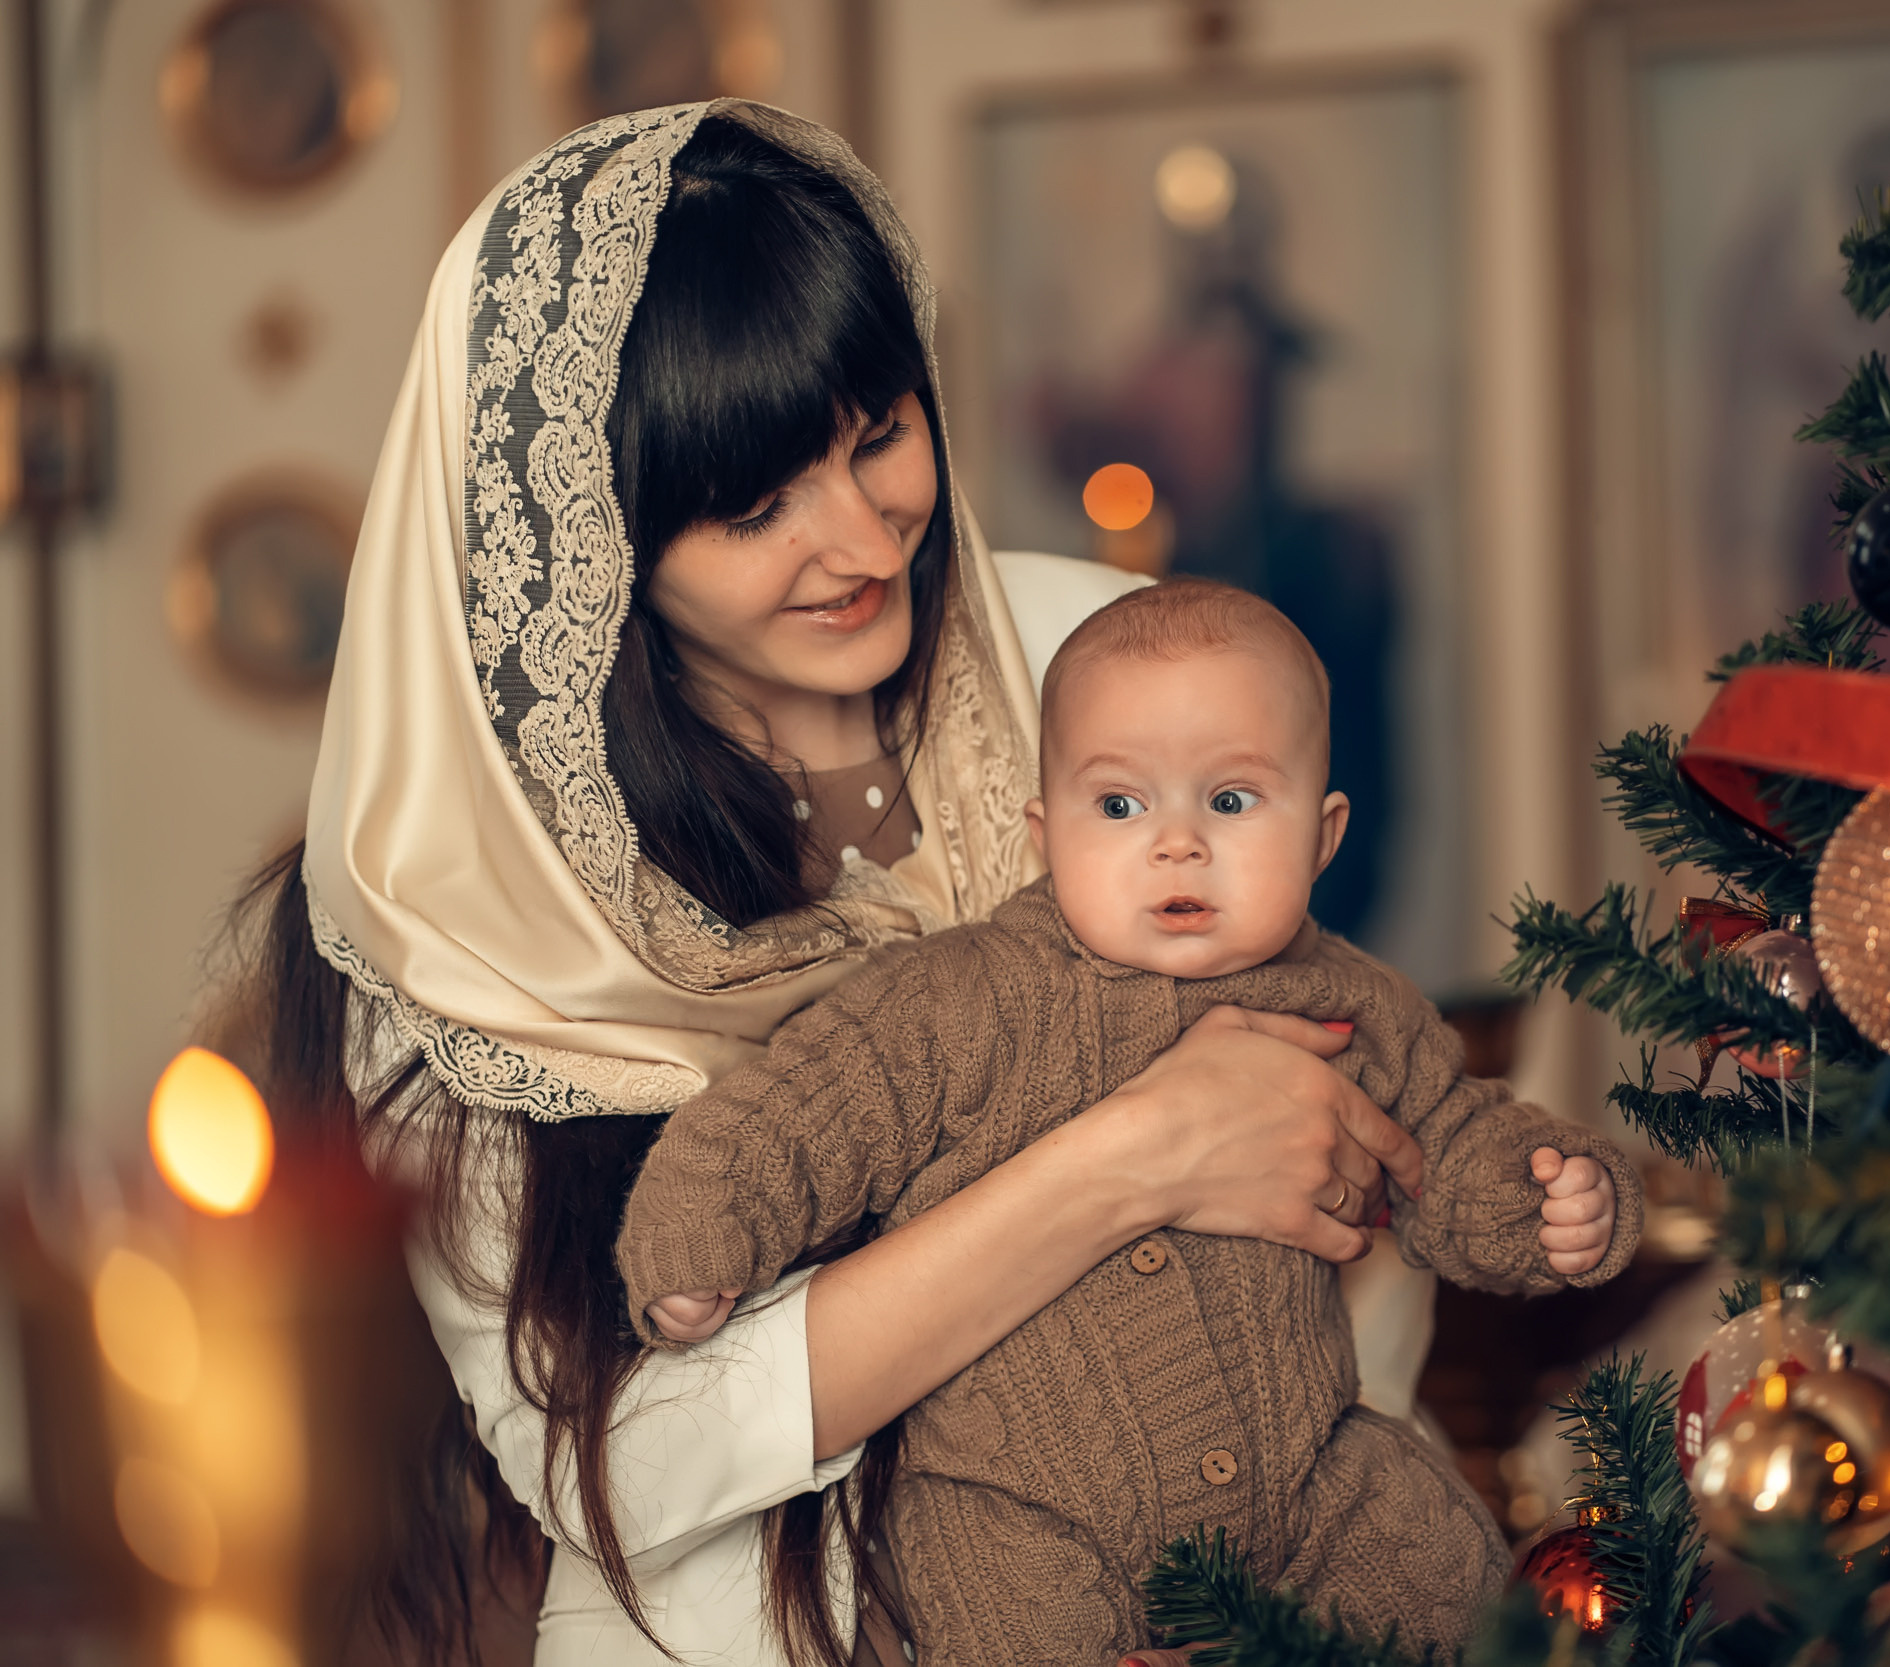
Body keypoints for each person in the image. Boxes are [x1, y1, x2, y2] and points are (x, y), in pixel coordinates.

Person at [211, 104, 1433, 1667]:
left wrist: (1267, 1578)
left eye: (877, 438)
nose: (862, 539)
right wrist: (1129, 1160)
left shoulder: (1099, 664)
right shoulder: (464, 900)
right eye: (752, 503)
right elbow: (624, 1462)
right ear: (595, 539)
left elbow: (1342, 1173)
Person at [618, 581, 1643, 1664]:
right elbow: (806, 1106)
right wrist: (701, 1227)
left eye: (1233, 802)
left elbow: (1449, 1136)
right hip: (1019, 1498)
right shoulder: (963, 996)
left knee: (1441, 1566)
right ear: (1044, 831)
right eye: (1118, 807)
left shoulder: (1356, 1002)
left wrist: (1547, 1198)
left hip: (1303, 1479)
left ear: (1324, 833)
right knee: (1007, 1619)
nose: (1177, 846)